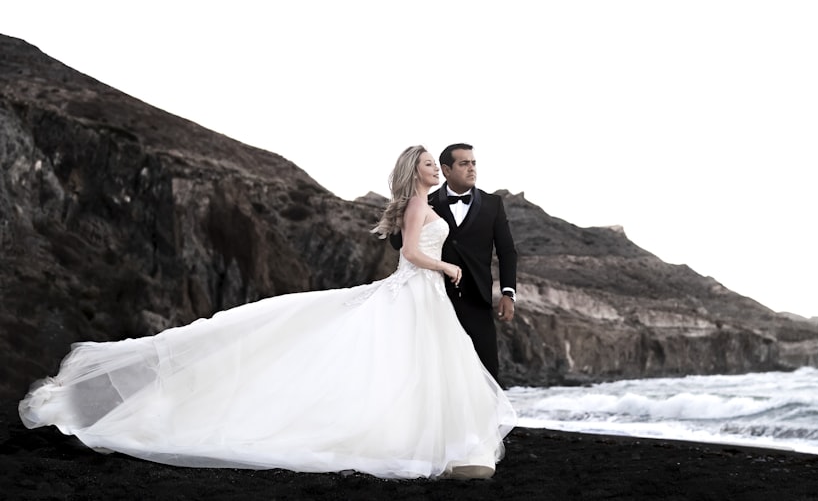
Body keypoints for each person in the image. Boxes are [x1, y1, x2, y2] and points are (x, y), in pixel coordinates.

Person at [17, 145, 516, 480]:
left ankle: (442, 445)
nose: (434, 168)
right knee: (392, 362)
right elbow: (409, 253)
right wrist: (446, 265)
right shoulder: (416, 205)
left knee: (417, 367)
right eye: (430, 163)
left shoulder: (429, 203)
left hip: (424, 295)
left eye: (437, 163)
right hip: (417, 287)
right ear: (419, 171)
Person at [394, 143, 517, 383]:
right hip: (436, 297)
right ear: (447, 170)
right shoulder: (424, 201)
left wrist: (508, 293)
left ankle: (490, 421)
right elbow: (399, 244)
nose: (472, 169)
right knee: (440, 371)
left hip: (478, 298)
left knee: (487, 369)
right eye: (464, 164)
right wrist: (404, 212)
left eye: (473, 163)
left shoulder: (493, 204)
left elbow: (507, 251)